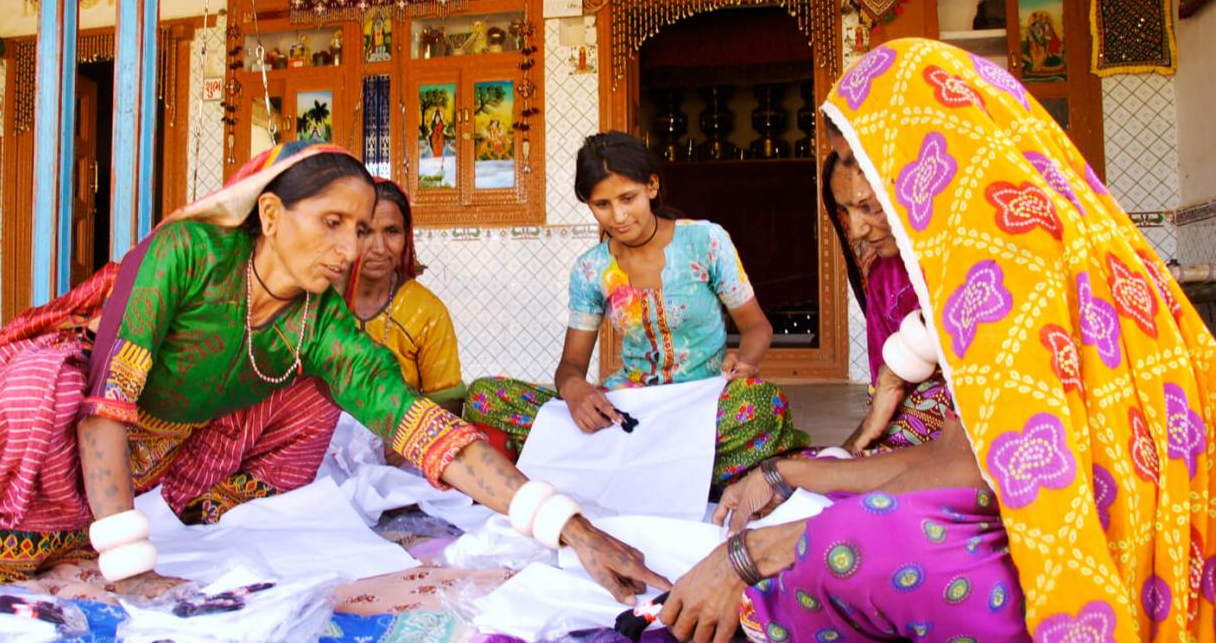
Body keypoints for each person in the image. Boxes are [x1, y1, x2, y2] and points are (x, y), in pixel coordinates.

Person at [0, 142, 666, 606]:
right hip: (71, 418)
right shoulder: (186, 255)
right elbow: (105, 402)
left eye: (365, 228)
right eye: (332, 224)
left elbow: (424, 428)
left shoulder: (320, 320)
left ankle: (139, 520)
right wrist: (131, 567)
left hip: (161, 446)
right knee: (35, 386)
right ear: (270, 214)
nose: (351, 249)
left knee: (311, 397)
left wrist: (576, 530)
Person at [656, 39, 1216, 643]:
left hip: (1084, 590)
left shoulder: (1011, 256)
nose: (863, 230)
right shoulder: (1015, 234)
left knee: (853, 540)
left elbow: (964, 476)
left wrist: (750, 553)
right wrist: (789, 474)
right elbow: (958, 458)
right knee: (843, 509)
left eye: (871, 198)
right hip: (1053, 542)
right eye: (848, 206)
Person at [468, 131, 808, 485]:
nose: (617, 216)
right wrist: (575, 391)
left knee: (765, 405)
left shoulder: (706, 241)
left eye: (627, 198)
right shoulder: (591, 270)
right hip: (627, 412)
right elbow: (570, 366)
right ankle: (671, 473)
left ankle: (614, 471)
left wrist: (747, 361)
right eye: (602, 204)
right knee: (484, 397)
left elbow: (757, 327)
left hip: (701, 407)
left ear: (652, 187)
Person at [821, 133, 954, 453]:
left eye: (867, 207)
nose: (856, 230)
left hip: (979, 395)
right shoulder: (883, 277)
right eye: (846, 212)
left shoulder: (961, 249)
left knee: (920, 416)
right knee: (890, 428)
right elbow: (883, 384)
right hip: (913, 405)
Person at [345, 179, 466, 412]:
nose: (379, 248)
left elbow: (448, 403)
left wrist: (408, 439)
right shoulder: (321, 301)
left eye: (392, 231)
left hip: (399, 438)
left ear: (406, 236)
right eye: (365, 232)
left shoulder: (427, 312)